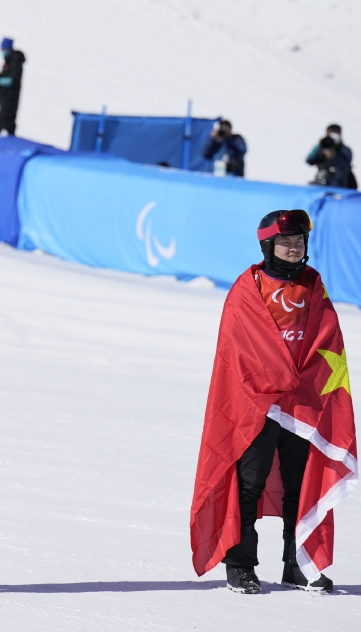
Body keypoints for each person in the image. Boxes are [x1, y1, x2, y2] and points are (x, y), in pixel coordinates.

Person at [190, 210, 357, 595]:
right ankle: (241, 565)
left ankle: (296, 565)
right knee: (249, 483)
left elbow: (327, 341)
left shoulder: (314, 285)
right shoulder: (247, 288)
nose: (294, 249)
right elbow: (241, 347)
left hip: (300, 407)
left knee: (299, 485)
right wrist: (280, 378)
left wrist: (302, 384)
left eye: (299, 243)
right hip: (256, 405)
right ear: (268, 245)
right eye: (286, 243)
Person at [307, 124, 356, 189]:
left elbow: (345, 166)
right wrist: (318, 147)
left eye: (336, 134)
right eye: (331, 133)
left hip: (339, 186)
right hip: (321, 184)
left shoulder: (344, 150)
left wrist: (335, 157)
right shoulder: (322, 148)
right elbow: (309, 161)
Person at [0, 38, 24, 136]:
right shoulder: (9, 61)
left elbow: (12, 80)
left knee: (6, 122)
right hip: (4, 97)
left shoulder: (15, 62)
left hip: (9, 99)